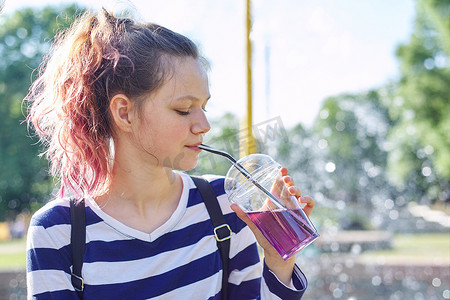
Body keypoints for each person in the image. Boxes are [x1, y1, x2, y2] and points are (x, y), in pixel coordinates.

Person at [25, 8, 315, 300]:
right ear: (124, 113)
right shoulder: (57, 232)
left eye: (204, 107)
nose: (204, 125)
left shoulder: (224, 206)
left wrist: (279, 261)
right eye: (184, 109)